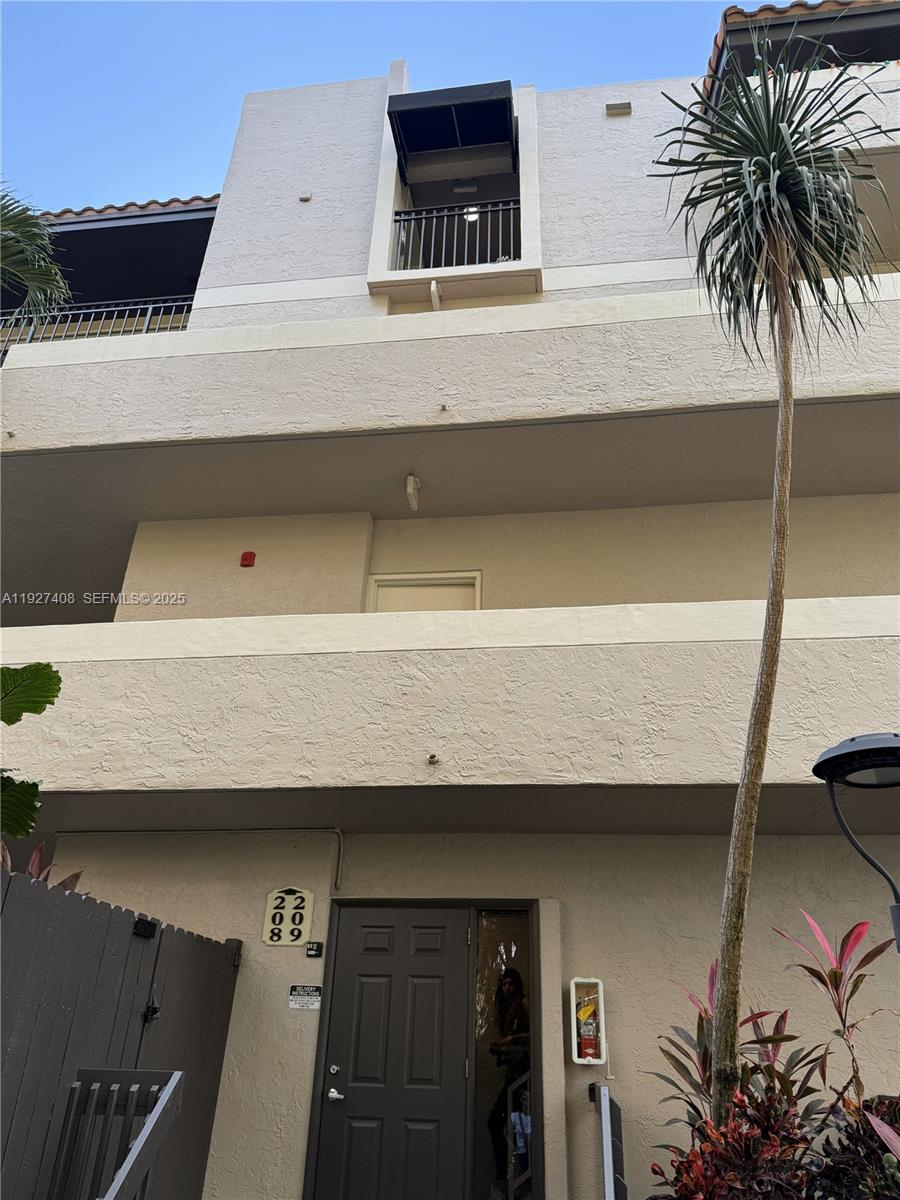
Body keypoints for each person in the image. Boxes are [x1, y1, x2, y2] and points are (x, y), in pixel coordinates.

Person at [487, 967, 530, 1199]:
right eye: (503, 985)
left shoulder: (523, 1004)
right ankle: (508, 1180)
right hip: (513, 1073)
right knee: (506, 1125)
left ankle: (513, 1181)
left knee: (511, 1126)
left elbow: (537, 1036)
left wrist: (512, 1040)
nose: (507, 988)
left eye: (510, 984)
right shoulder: (505, 1009)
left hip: (523, 1076)